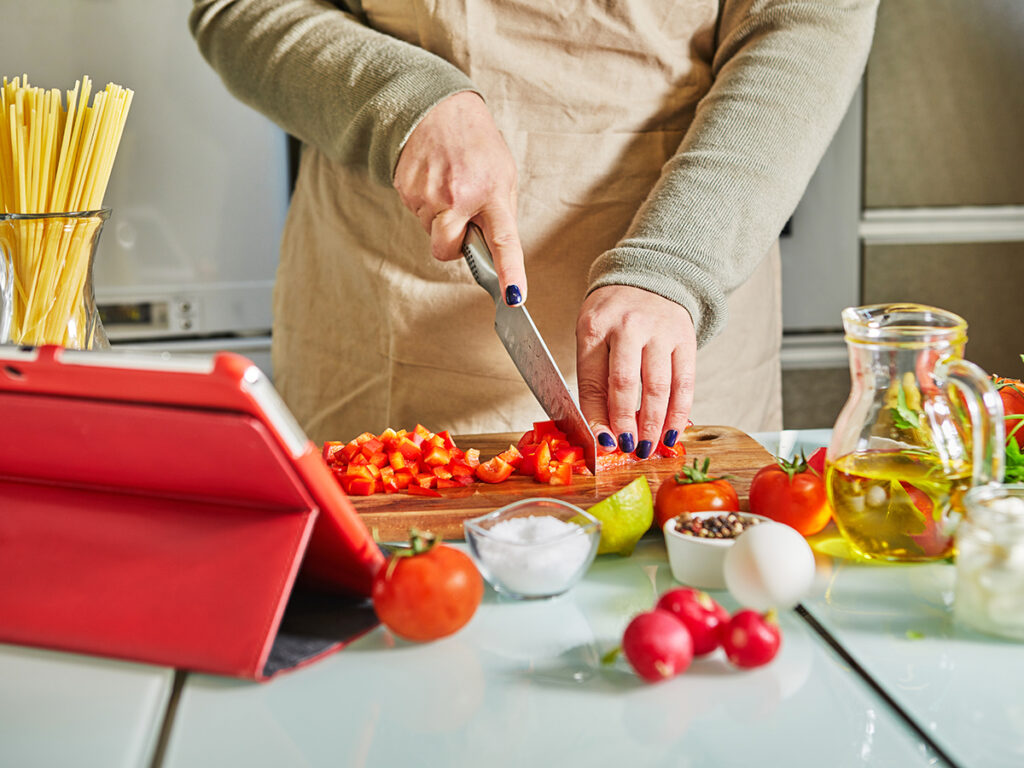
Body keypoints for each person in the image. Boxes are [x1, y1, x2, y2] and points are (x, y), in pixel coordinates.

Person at [190, 0, 877, 456]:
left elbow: (808, 21)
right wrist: (403, 104)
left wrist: (675, 260)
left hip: (673, 308)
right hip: (389, 328)